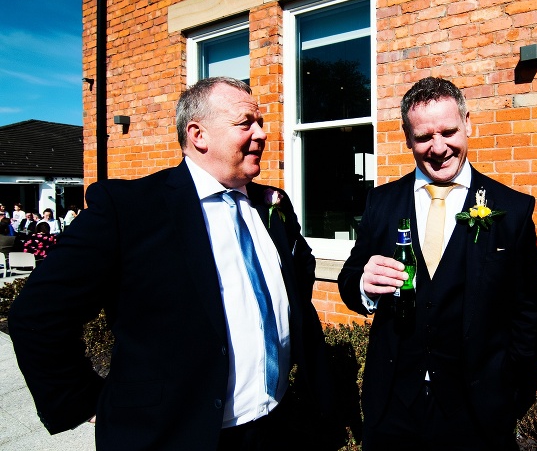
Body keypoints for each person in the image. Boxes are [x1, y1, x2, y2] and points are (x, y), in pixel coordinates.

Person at [9, 76, 333, 450]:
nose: (261, 133)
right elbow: (37, 315)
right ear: (199, 135)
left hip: (273, 426)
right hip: (170, 435)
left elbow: (298, 273)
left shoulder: (273, 204)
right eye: (246, 123)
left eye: (260, 123)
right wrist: (83, 400)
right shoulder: (129, 208)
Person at [338, 76, 537, 451]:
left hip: (477, 412)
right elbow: (349, 280)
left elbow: (528, 312)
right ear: (407, 138)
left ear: (468, 123)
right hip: (393, 408)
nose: (438, 148)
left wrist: (512, 394)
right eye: (423, 137)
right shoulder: (380, 203)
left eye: (449, 131)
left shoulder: (512, 210)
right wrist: (363, 287)